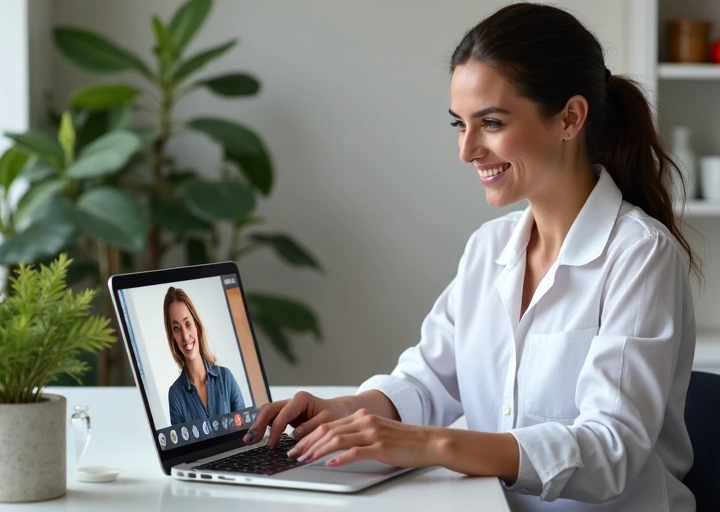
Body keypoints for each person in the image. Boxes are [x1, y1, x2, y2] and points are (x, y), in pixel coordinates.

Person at [243, 4, 699, 511]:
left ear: (570, 118)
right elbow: (429, 378)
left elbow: (610, 450)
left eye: (492, 123)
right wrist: (344, 410)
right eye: (460, 124)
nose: (468, 150)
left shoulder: (640, 254)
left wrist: (434, 445)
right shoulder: (489, 248)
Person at [164, 286, 245, 425]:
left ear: (197, 326)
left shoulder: (226, 378)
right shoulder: (175, 394)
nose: (185, 336)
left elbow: (246, 430)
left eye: (188, 324)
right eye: (176, 328)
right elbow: (183, 447)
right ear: (172, 337)